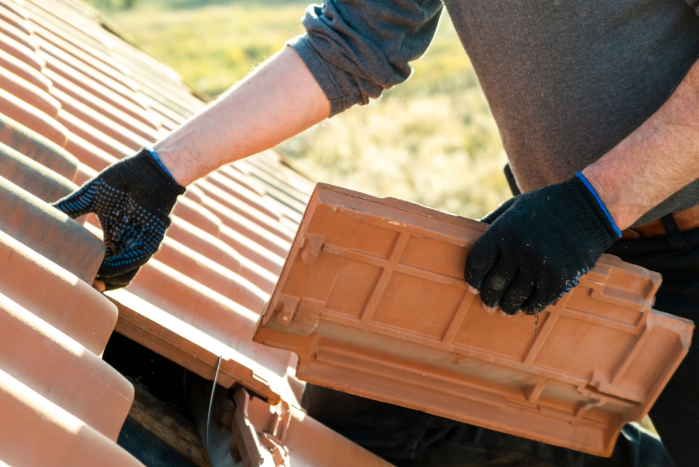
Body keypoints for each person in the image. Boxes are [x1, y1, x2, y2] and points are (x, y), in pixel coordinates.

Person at [53, 1, 699, 465]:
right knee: (371, 402)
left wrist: (595, 204)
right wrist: (162, 173)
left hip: (650, 228)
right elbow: (353, 41)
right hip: (571, 232)